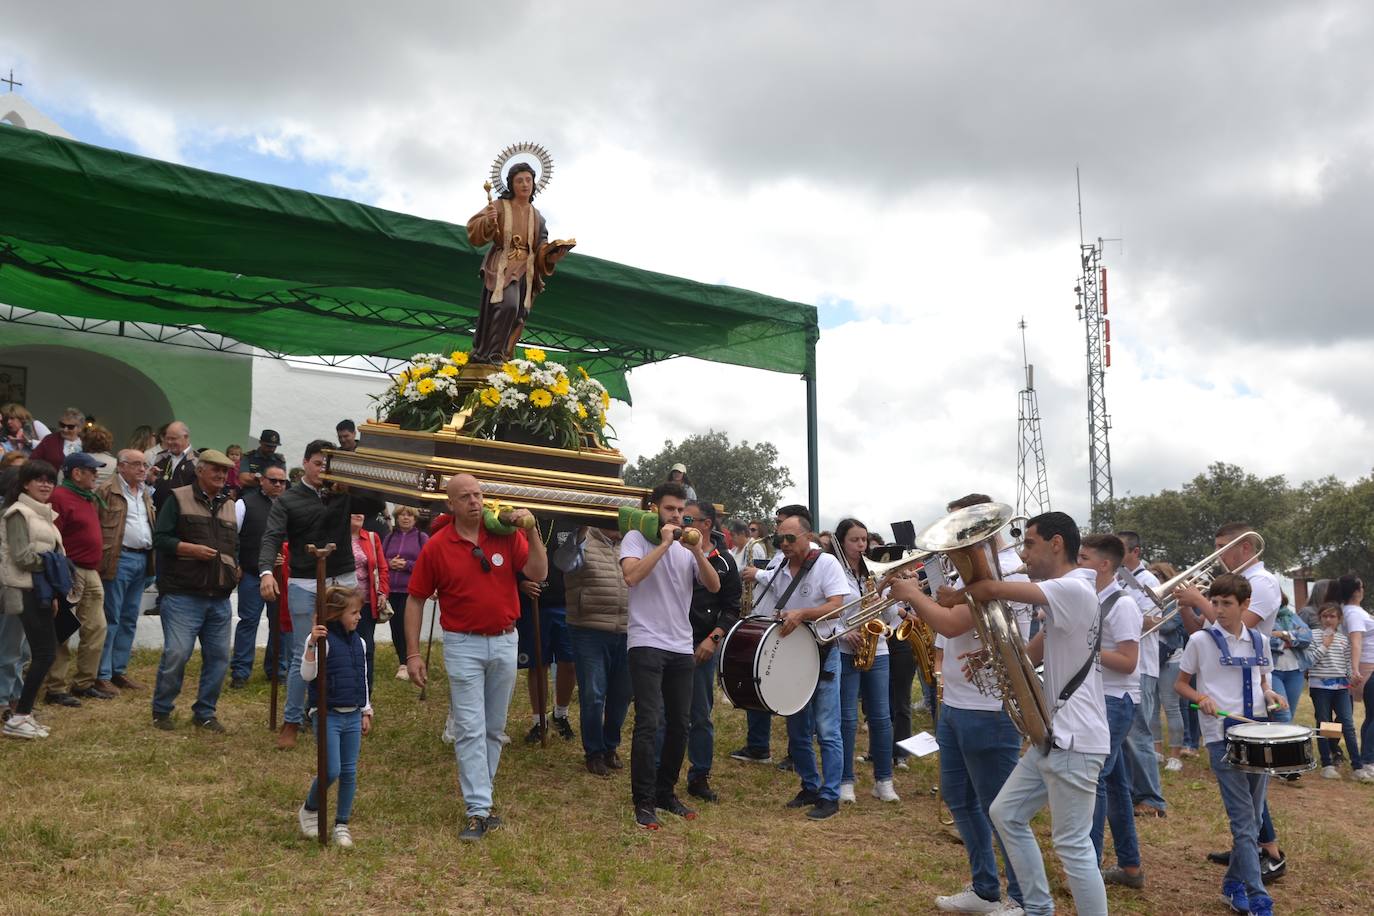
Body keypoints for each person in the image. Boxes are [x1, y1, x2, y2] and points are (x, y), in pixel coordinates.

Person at [889, 494, 1028, 914]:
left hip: (989, 707)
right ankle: (985, 888)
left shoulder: (1006, 572)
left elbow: (952, 624)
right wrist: (911, 593)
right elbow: (945, 624)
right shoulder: (968, 573)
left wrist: (913, 594)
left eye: (957, 532)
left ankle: (1022, 899)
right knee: (960, 798)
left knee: (1000, 809)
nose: (949, 542)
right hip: (956, 702)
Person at [978, 511, 1109, 916]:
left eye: (1030, 544)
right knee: (1006, 813)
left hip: (1075, 738)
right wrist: (990, 656)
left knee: (1073, 845)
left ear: (1056, 544)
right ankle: (1037, 908)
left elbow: (988, 588)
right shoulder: (1071, 592)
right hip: (1057, 735)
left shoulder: (1072, 588)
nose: (1024, 554)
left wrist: (956, 591)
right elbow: (1032, 652)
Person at [402, 474, 545, 841]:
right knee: (470, 728)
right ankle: (478, 809)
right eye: (465, 497)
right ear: (450, 504)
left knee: (495, 728)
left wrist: (532, 531)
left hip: (505, 640)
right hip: (462, 644)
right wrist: (413, 654)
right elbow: (415, 599)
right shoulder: (438, 546)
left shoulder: (505, 535)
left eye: (478, 495)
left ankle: (483, 796)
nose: (474, 502)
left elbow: (538, 572)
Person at [1176, 523, 1287, 880]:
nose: (1218, 555)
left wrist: (1270, 693)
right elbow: (1201, 645)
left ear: (1245, 548)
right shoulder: (1205, 639)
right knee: (1244, 820)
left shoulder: (1263, 586)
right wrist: (1187, 606)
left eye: (1223, 547)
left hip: (1255, 726)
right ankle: (1253, 886)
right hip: (1221, 731)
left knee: (1250, 817)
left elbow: (1258, 671)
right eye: (1216, 603)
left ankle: (1243, 874)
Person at [619, 482, 721, 829]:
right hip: (646, 641)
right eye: (670, 510)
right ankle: (643, 800)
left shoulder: (687, 547)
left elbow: (714, 586)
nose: (676, 516)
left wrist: (697, 552)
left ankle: (666, 792)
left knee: (680, 723)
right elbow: (631, 577)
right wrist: (663, 544)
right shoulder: (636, 538)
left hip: (680, 644)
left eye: (681, 511)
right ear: (654, 509)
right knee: (649, 721)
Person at [258, 439, 358, 750]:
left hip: (342, 577)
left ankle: (343, 713)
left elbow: (374, 502)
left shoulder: (344, 493)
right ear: (305, 463)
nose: (323, 469)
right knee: (306, 650)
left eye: (328, 464)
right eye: (318, 463)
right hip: (305, 581)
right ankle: (291, 721)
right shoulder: (288, 499)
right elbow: (272, 536)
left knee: (346, 647)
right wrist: (265, 572)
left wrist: (351, 484)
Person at [761, 512, 848, 821]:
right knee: (796, 728)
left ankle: (830, 795)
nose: (783, 544)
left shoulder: (827, 563)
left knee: (827, 729)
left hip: (823, 652)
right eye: (779, 539)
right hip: (793, 654)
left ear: (808, 537)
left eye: (789, 538)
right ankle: (810, 786)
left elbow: (837, 607)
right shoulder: (780, 567)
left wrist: (802, 614)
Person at [150, 449, 239, 732]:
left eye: (225, 471)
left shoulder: (229, 504)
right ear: (200, 470)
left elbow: (234, 546)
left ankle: (205, 713)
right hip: (182, 593)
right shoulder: (178, 498)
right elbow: (160, 538)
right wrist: (190, 549)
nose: (221, 475)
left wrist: (235, 568)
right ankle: (162, 710)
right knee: (177, 654)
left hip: (219, 596)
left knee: (219, 658)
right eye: (215, 469)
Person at [1078, 534, 1145, 891]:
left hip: (1114, 701)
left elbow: (1129, 662)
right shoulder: (1092, 598)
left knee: (1093, 781)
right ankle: (1130, 867)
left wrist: (1081, 649)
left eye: (1083, 558)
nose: (1077, 563)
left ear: (1104, 565)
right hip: (1100, 699)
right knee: (1116, 785)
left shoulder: (1123, 605)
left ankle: (1088, 869)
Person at [464, 161, 575, 363]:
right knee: (508, 305)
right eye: (519, 181)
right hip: (503, 264)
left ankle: (503, 354)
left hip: (527, 269)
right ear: (511, 184)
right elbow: (473, 231)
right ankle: (491, 354)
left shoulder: (538, 217)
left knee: (519, 314)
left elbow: (540, 247)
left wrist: (552, 256)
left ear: (534, 183)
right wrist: (488, 221)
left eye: (528, 180)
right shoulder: (499, 206)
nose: (525, 184)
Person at [729, 503, 812, 766]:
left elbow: (783, 584)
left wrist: (758, 574)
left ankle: (795, 754)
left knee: (791, 692)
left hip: (784, 629)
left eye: (782, 523)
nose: (777, 529)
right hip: (764, 623)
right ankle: (758, 746)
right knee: (757, 682)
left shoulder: (809, 557)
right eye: (777, 524)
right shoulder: (779, 553)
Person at [296, 585, 373, 848]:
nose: (359, 617)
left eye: (359, 612)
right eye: (354, 613)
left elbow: (362, 678)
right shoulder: (323, 642)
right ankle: (310, 808)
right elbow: (307, 674)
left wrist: (365, 709)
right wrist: (311, 644)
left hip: (352, 715)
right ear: (336, 614)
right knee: (330, 770)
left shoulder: (360, 643)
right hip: (328, 715)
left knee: (349, 772)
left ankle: (342, 824)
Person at [678, 498, 741, 802]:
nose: (682, 523)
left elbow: (732, 607)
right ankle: (660, 774)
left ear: (706, 524)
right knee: (662, 712)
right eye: (681, 518)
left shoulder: (725, 560)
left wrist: (713, 639)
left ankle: (699, 775)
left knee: (700, 714)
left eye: (688, 519)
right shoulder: (671, 549)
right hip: (669, 640)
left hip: (701, 643)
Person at [833, 517, 899, 804]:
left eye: (864, 540)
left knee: (881, 717)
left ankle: (884, 780)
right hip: (845, 649)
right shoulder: (834, 569)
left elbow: (891, 616)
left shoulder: (873, 571)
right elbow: (827, 611)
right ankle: (845, 780)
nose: (861, 545)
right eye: (854, 540)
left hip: (877, 648)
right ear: (841, 542)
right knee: (847, 718)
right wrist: (843, 632)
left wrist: (884, 599)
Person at [0, 460, 65, 739]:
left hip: (40, 591)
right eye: (39, 479)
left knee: (39, 654)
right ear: (25, 484)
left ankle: (22, 714)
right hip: (22, 590)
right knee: (40, 653)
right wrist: (56, 566)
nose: (45, 485)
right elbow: (21, 557)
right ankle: (18, 716)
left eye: (49, 480)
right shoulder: (18, 513)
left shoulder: (43, 514)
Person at [562, 524, 631, 777]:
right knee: (593, 694)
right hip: (588, 629)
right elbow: (564, 563)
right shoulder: (582, 537)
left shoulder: (632, 542)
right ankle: (594, 752)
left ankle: (610, 746)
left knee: (622, 694)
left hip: (628, 629)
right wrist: (578, 533)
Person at [44, 452, 110, 705]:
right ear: (77, 473)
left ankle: (84, 683)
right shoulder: (60, 497)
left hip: (90, 571)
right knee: (63, 629)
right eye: (92, 471)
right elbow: (52, 537)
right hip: (70, 571)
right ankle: (55, 688)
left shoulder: (86, 497)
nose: (96, 475)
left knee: (96, 627)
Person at [1114, 530, 1167, 819]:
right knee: (1124, 734)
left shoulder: (1149, 581)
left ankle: (1151, 798)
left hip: (1142, 665)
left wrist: (1122, 614)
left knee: (1138, 733)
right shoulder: (1119, 579)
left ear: (1135, 552)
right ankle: (1133, 793)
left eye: (1120, 549)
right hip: (1123, 664)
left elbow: (1155, 622)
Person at [95, 449, 156, 694]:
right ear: (121, 466)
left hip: (143, 557)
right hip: (118, 558)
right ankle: (102, 674)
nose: (142, 469)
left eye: (145, 465)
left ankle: (118, 670)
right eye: (137, 464)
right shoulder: (106, 491)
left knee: (129, 618)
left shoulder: (145, 492)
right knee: (111, 617)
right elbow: (96, 525)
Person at [229, 464, 290, 687]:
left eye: (282, 481)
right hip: (252, 574)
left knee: (280, 624)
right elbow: (231, 536)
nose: (278, 485)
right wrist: (235, 562)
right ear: (262, 480)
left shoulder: (290, 505)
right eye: (273, 480)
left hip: (282, 576)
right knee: (248, 622)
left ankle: (277, 669)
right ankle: (240, 672)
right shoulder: (244, 504)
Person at [517, 527, 576, 744]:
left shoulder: (567, 520)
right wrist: (520, 582)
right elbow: (510, 556)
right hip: (534, 603)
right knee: (538, 663)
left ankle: (560, 714)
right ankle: (538, 720)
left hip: (565, 602)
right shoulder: (523, 520)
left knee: (569, 663)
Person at [1306, 603, 1362, 779]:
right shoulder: (1312, 635)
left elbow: (1346, 664)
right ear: (1319, 618)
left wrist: (1352, 676)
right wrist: (1324, 645)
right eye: (1325, 616)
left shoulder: (1343, 639)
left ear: (1339, 619)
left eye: (1332, 617)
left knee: (1347, 724)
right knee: (1324, 723)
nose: (1328, 620)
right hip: (1320, 687)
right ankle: (1327, 764)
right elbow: (1309, 661)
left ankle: (1357, 766)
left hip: (1341, 688)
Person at [1330, 575, 1374, 778]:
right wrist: (1355, 669)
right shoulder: (1354, 613)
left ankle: (1367, 757)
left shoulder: (1350, 611)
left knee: (1370, 715)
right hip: (1367, 666)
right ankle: (1368, 760)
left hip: (1365, 664)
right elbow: (1356, 641)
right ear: (1356, 591)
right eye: (1361, 586)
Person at [381, 506, 427, 679]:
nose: (405, 518)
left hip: (410, 590)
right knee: (395, 626)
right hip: (392, 589)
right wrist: (389, 563)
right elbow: (380, 559)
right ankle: (403, 661)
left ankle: (408, 661)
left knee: (407, 626)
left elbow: (427, 563)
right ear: (396, 518)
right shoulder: (389, 538)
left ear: (415, 519)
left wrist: (407, 565)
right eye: (402, 515)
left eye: (409, 515)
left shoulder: (422, 538)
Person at [348, 511, 388, 695]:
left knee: (367, 648)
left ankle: (365, 694)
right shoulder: (336, 536)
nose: (359, 515)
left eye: (361, 512)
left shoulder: (372, 538)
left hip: (365, 603)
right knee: (342, 648)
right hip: (342, 604)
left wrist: (382, 593)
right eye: (353, 511)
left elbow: (382, 567)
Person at [1268, 593, 1311, 725]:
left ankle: (1279, 738)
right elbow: (1265, 640)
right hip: (1273, 671)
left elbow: (1307, 637)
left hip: (1295, 671)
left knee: (1289, 714)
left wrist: (1283, 634)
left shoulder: (1291, 616)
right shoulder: (1263, 618)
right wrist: (1291, 641)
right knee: (1282, 714)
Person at [150, 421, 197, 511]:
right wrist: (149, 480)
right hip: (160, 511)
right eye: (167, 438)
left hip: (185, 512)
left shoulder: (197, 460)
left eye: (173, 439)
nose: (169, 442)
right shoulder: (160, 457)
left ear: (186, 437)